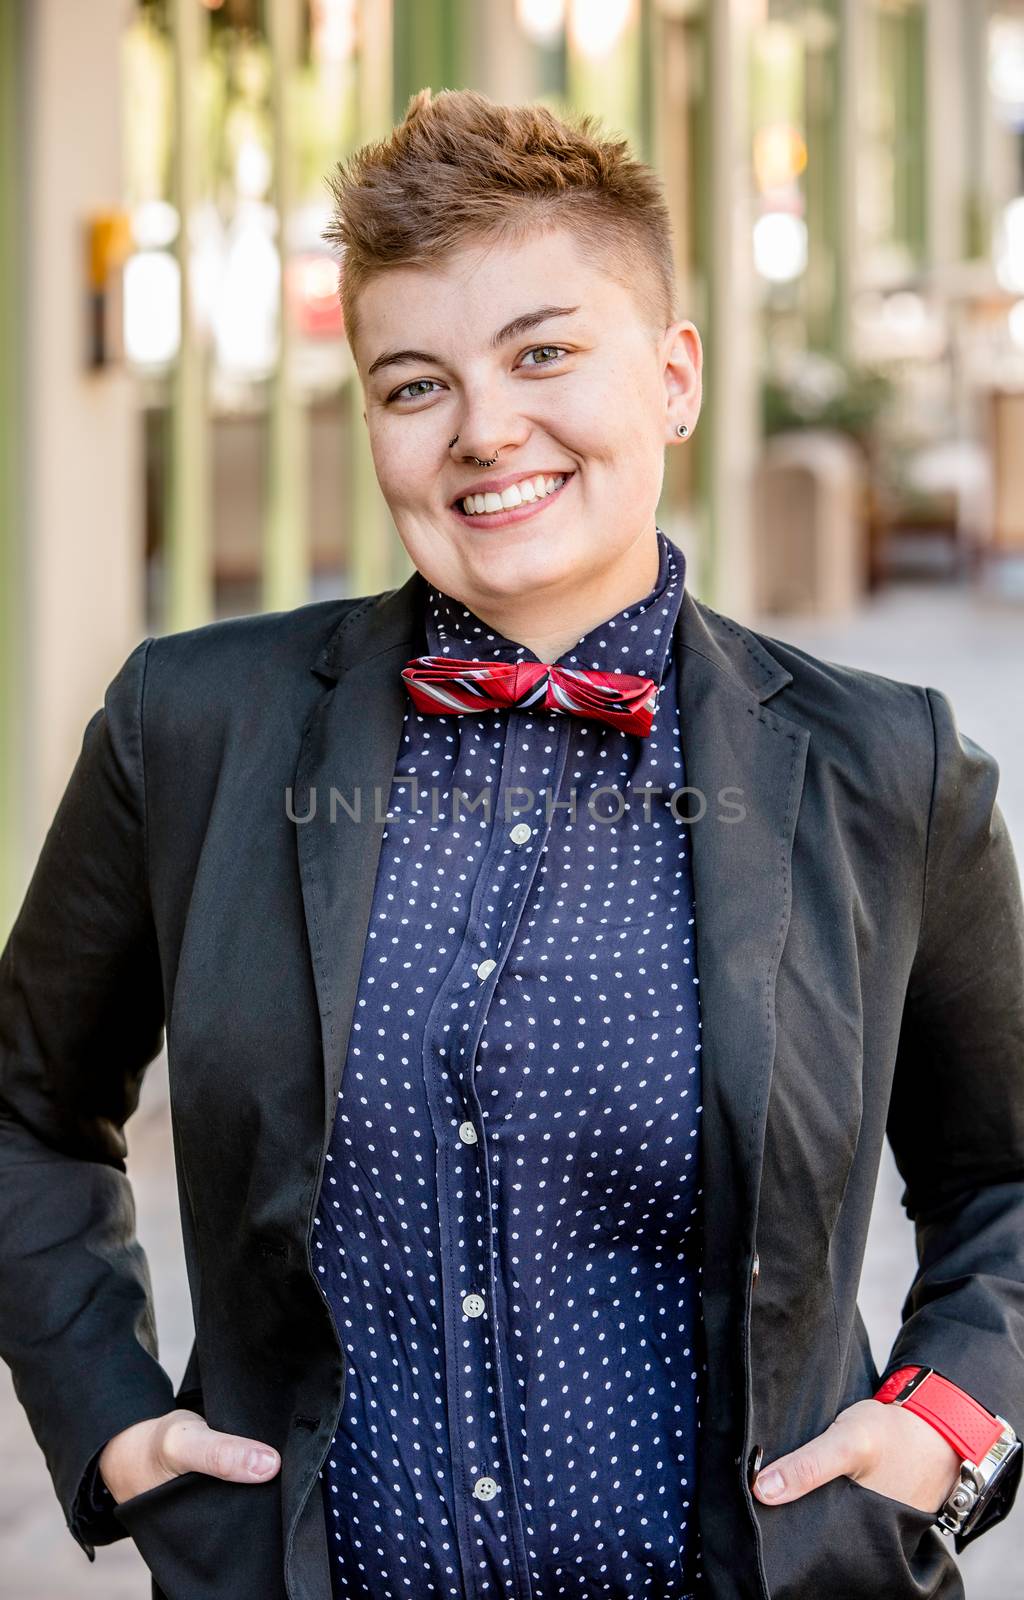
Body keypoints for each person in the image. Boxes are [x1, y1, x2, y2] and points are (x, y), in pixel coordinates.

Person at [0, 85, 1022, 1600]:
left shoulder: (889, 765)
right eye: (415, 384)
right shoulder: (189, 728)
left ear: (674, 376)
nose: (487, 428)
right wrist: (109, 1422)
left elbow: (1005, 1174)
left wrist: (946, 1427)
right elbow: (26, 1109)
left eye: (544, 353)